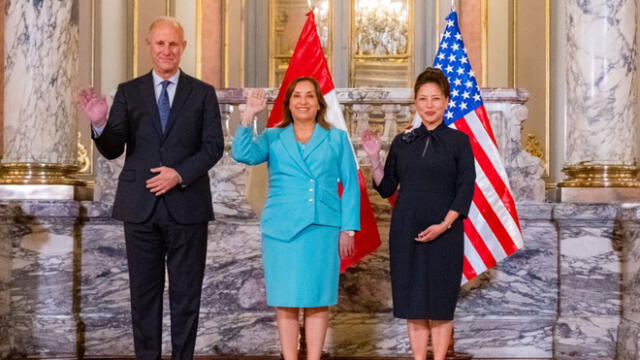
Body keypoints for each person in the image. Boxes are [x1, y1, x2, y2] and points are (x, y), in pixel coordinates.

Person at [78, 16, 224, 360]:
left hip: (187, 206)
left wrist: (178, 173)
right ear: (149, 46)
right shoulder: (129, 92)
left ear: (183, 47)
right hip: (140, 207)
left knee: (186, 295)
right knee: (144, 295)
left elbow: (213, 146)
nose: (167, 50)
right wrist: (99, 122)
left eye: (173, 44)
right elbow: (114, 147)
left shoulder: (202, 93)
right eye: (160, 43)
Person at [231, 77, 360, 360]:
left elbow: (351, 184)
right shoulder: (273, 136)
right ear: (289, 103)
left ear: (318, 103)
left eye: (309, 96)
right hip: (282, 231)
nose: (303, 101)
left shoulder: (336, 138)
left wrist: (349, 228)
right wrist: (249, 115)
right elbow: (243, 153)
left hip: (322, 228)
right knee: (286, 301)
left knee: (318, 300)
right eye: (297, 96)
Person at [361, 67, 475, 360]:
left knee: (439, 303)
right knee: (414, 303)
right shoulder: (403, 141)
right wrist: (374, 157)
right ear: (415, 102)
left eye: (435, 98)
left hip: (445, 233)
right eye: (423, 99)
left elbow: (466, 188)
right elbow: (387, 187)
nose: (429, 105)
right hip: (407, 232)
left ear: (447, 101)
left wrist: (444, 225)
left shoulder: (459, 141)